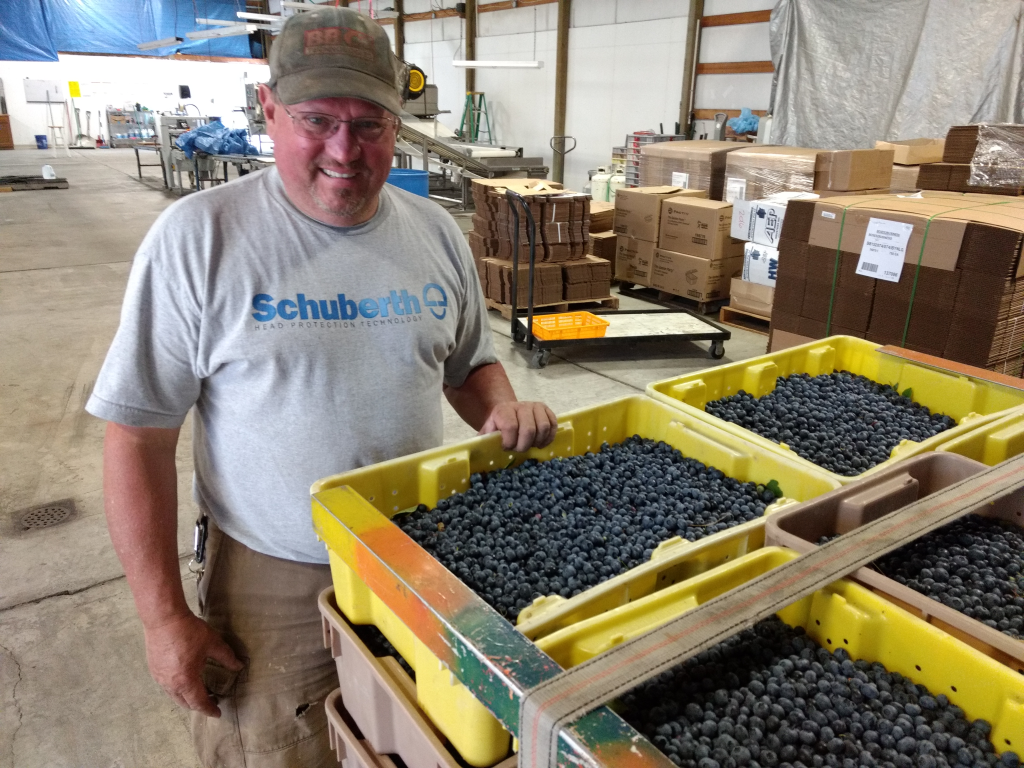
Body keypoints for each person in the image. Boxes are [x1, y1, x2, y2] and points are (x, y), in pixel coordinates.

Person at [86, 7, 558, 767]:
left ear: (397, 125)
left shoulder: (436, 232)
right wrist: (163, 618)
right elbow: (137, 435)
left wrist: (501, 405)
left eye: (369, 124)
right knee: (279, 746)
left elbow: (469, 366)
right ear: (270, 110)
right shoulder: (198, 239)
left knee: (415, 742)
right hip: (276, 578)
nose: (345, 149)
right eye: (317, 121)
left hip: (424, 553)